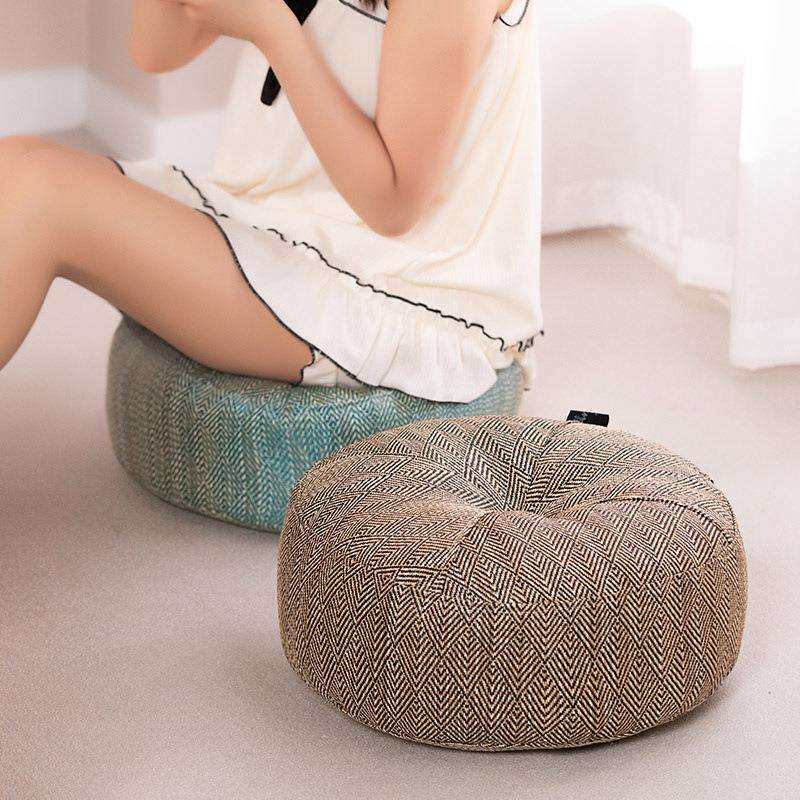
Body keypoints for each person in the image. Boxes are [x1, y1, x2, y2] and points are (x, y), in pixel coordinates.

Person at [0, 0, 542, 403]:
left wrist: (274, 30)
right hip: (266, 222)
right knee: (15, 161)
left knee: (45, 193)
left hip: (398, 286)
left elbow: (393, 206)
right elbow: (155, 50)